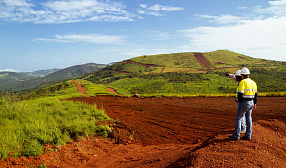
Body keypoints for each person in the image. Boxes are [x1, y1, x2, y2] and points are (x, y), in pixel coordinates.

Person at [229, 67, 258, 140]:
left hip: (244, 102)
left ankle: (236, 135)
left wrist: (239, 100)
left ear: (242, 75)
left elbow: (240, 93)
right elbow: (256, 94)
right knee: (249, 118)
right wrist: (255, 102)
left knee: (239, 118)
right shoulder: (253, 82)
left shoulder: (242, 82)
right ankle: (248, 135)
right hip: (251, 102)